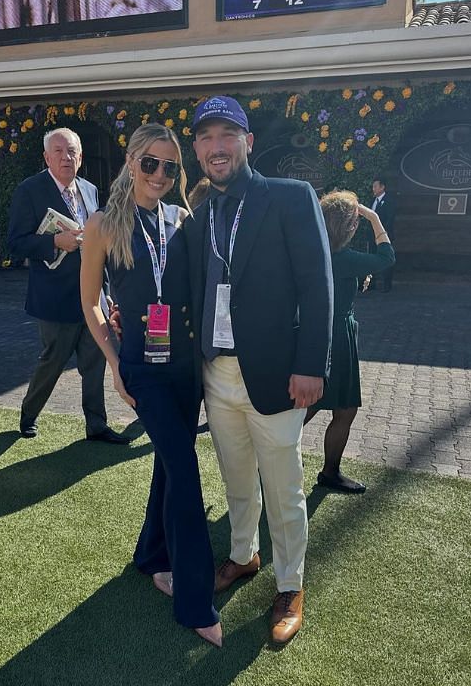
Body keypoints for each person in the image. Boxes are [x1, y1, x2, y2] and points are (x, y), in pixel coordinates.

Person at [188, 95, 332, 645]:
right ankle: (243, 556)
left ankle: (291, 585)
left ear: (247, 142)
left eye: (227, 135)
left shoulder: (291, 198)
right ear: (197, 149)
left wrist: (311, 364)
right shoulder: (204, 213)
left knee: (284, 485)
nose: (216, 147)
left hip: (275, 374)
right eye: (205, 138)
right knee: (236, 477)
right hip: (217, 373)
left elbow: (318, 285)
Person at [80, 124, 221, 647]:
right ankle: (194, 601)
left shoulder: (181, 219)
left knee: (170, 462)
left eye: (170, 167)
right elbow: (91, 303)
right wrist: (115, 361)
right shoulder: (102, 225)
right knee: (185, 474)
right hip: (142, 366)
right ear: (131, 160)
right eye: (150, 164)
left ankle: (150, 555)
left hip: (185, 367)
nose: (159, 175)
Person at [6, 127, 130, 444]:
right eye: (59, 151)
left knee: (94, 362)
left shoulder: (88, 190)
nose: (66, 157)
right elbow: (16, 243)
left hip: (93, 298)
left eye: (72, 151)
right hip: (55, 298)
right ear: (47, 157)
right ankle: (29, 414)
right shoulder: (29, 190)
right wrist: (54, 242)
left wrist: (108, 293)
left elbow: (99, 243)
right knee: (53, 361)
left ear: (80, 157)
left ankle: (96, 425)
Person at [306, 190, 395, 494]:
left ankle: (268, 458)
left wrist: (357, 279)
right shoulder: (344, 257)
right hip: (338, 337)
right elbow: (387, 258)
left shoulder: (313, 250)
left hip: (314, 332)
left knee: (308, 404)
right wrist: (375, 217)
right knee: (341, 410)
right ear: (350, 226)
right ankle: (329, 472)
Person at [366, 177, 395, 291]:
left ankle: (387, 285)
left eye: (376, 186)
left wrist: (383, 233)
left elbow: (390, 218)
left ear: (383, 187)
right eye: (373, 186)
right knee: (372, 258)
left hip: (384, 235)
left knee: (386, 258)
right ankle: (371, 284)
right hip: (372, 235)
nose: (373, 189)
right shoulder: (372, 201)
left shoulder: (389, 200)